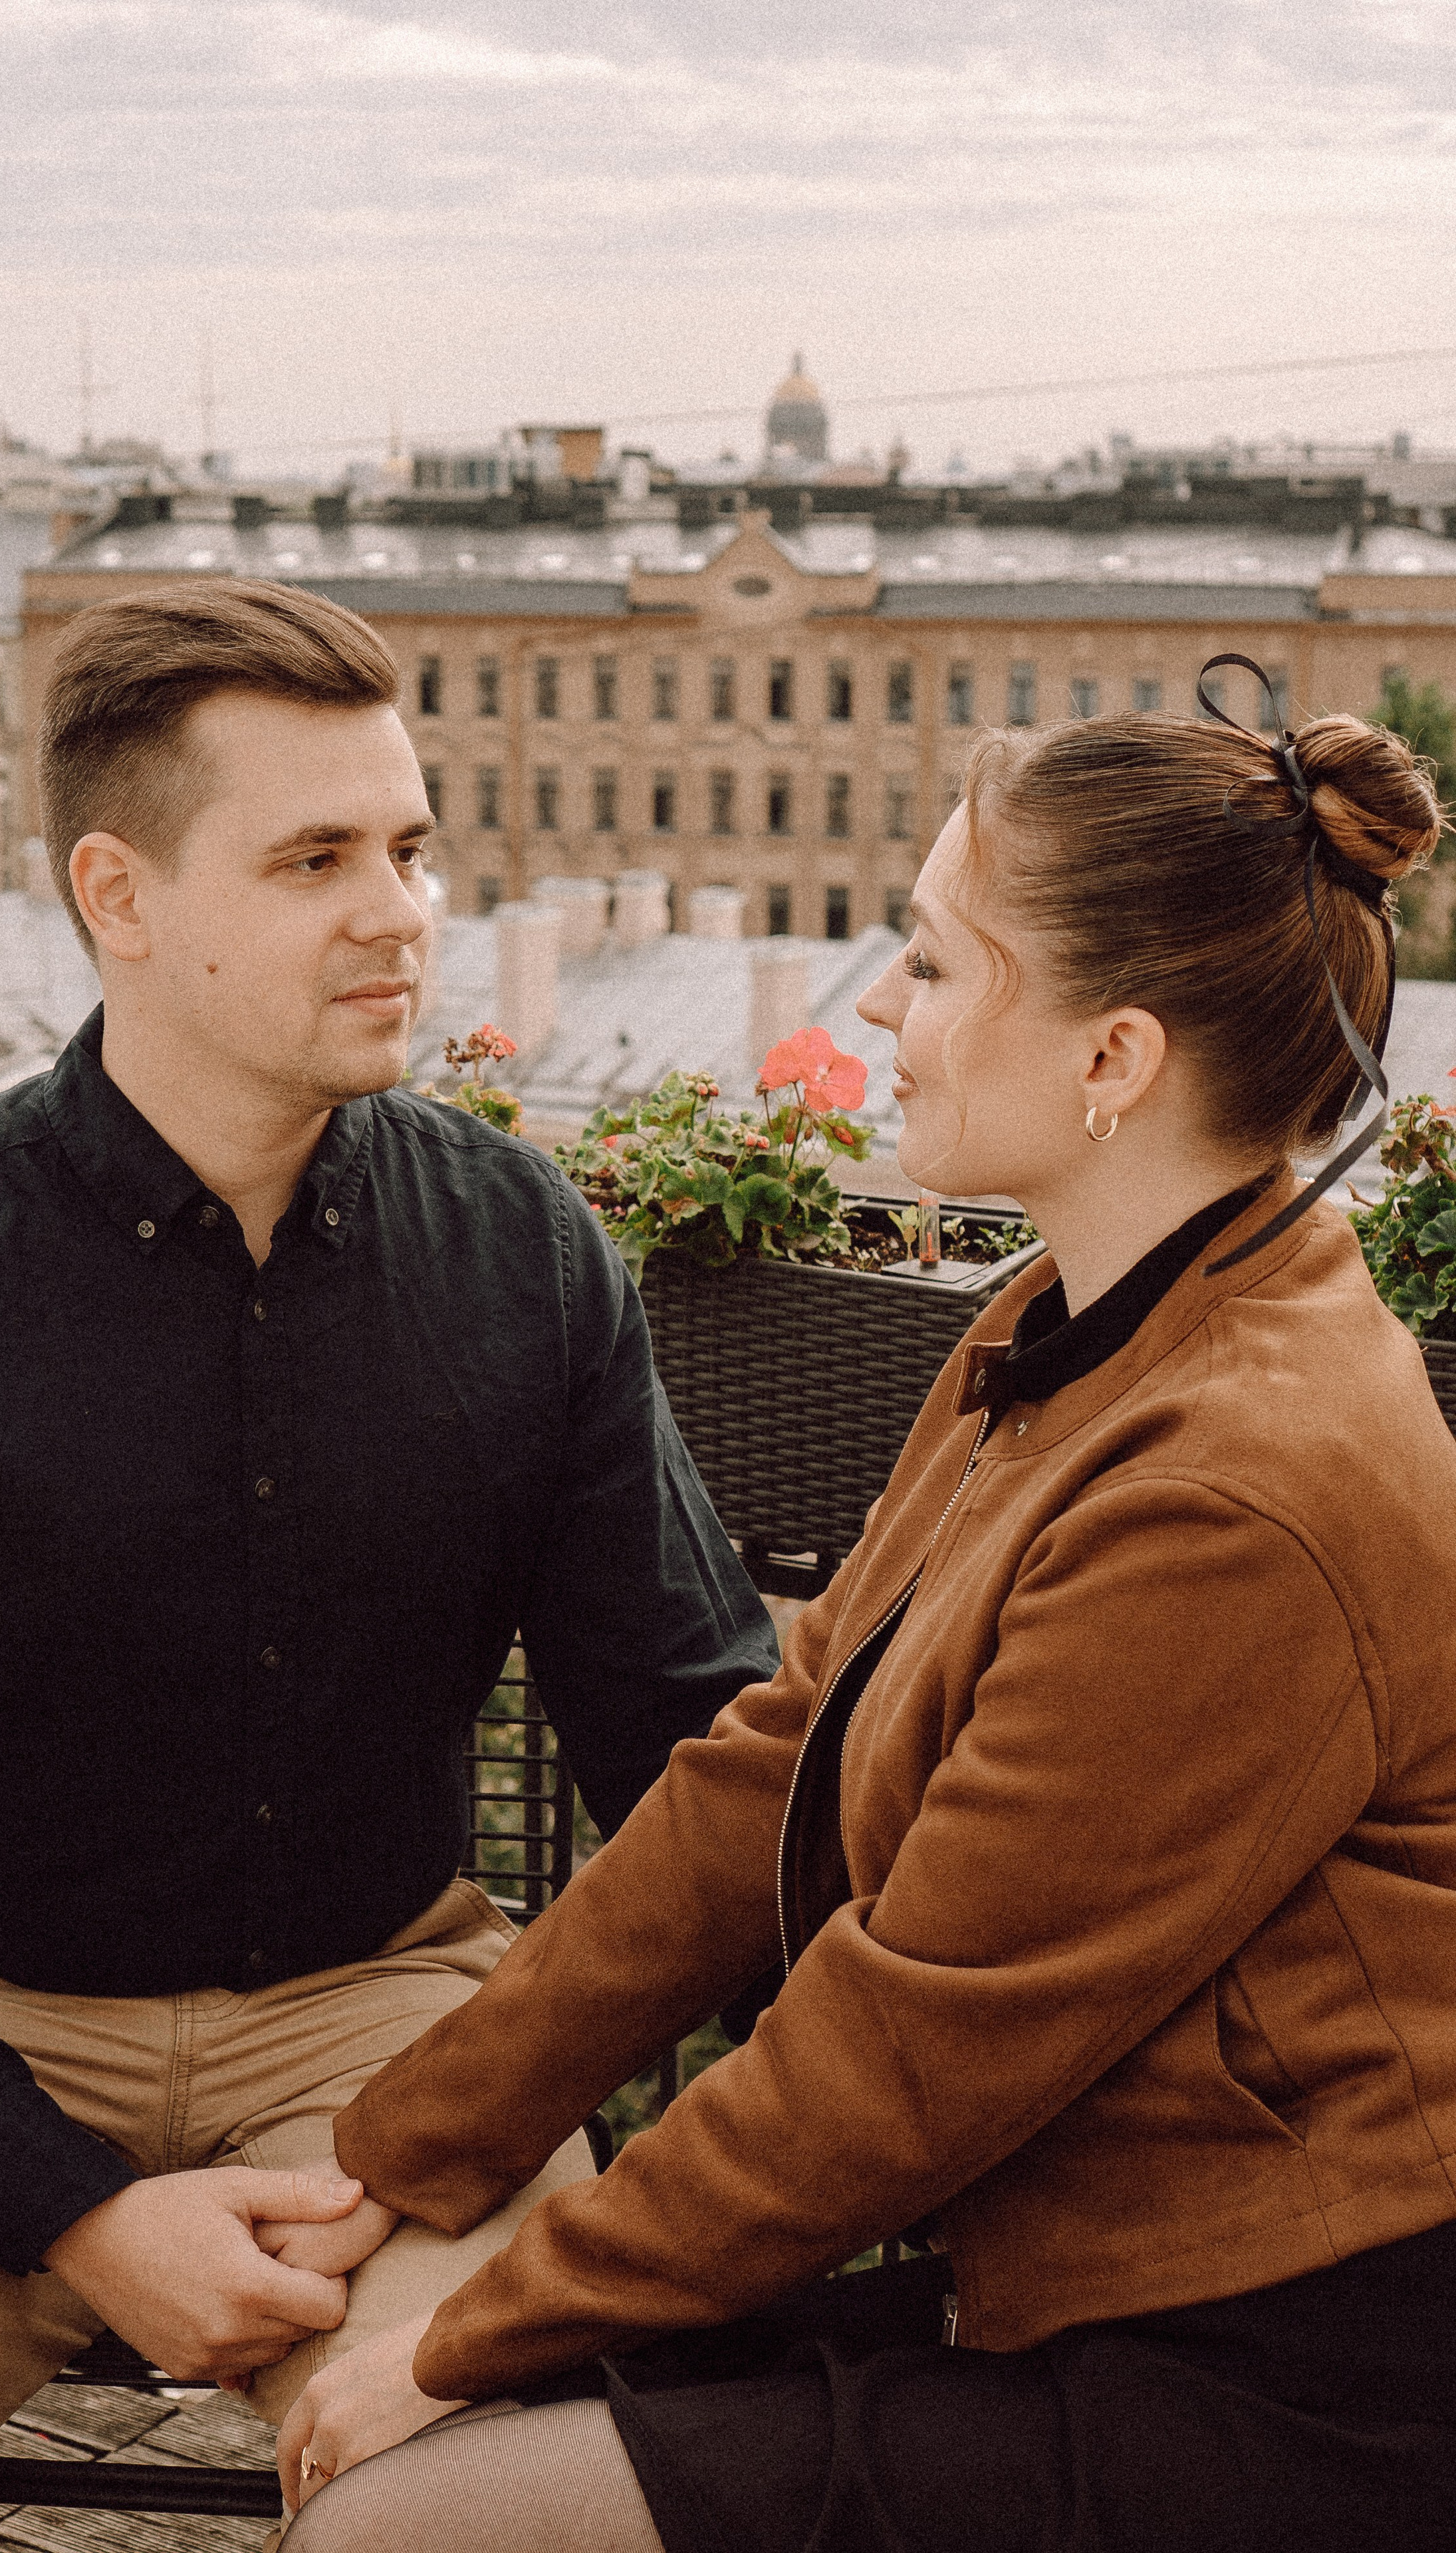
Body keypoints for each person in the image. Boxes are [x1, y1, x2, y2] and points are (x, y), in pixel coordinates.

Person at [271, 663, 1456, 2553]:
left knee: (398, 2522)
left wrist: (460, 2341)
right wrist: (401, 2154)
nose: (882, 1009)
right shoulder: (1081, 1323)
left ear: (1113, 1060)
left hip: (1287, 2370)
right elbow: (763, 1776)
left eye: (928, 959)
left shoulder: (1239, 1488)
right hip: (1088, 2272)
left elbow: (908, 2052)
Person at [0, 578, 779, 2550]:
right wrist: (66, 2204)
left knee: (506, 2485)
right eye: (315, 858)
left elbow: (682, 1736)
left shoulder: (521, 1248)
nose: (402, 909)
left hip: (382, 2028)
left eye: (408, 845)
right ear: (118, 899)